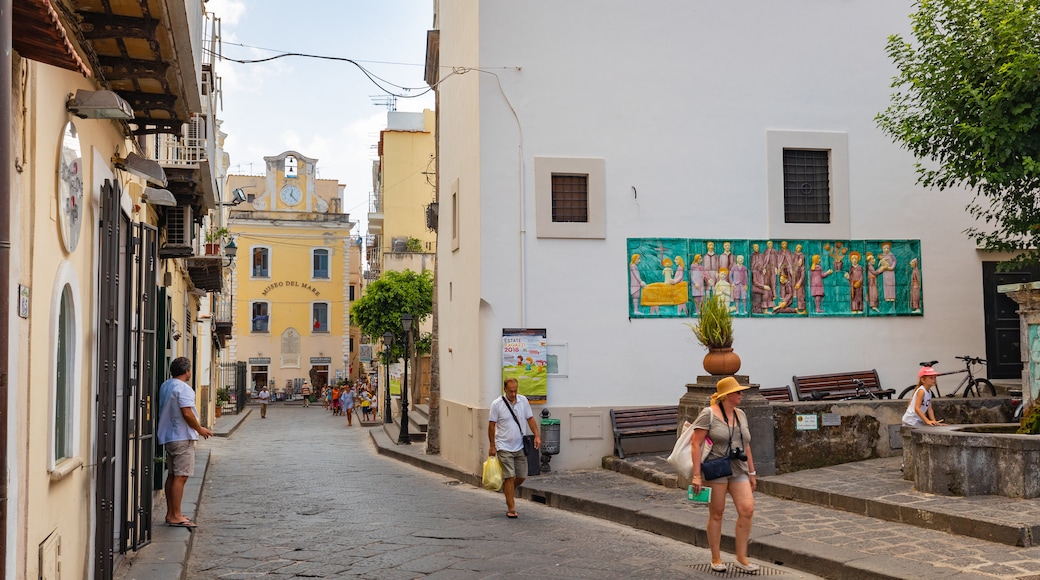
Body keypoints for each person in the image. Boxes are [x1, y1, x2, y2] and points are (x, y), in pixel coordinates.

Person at [690, 376, 758, 573]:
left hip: (739, 468)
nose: (741, 394)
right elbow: (696, 444)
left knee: (747, 509)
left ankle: (741, 557)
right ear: (727, 395)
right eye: (738, 392)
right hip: (716, 467)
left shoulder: (741, 414)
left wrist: (752, 472)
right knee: (717, 512)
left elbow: (746, 444)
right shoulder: (708, 414)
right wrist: (696, 475)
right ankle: (716, 557)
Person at [157, 357, 212, 529]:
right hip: (181, 436)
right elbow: (187, 413)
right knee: (181, 476)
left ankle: (171, 512)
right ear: (187, 371)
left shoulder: (166, 385)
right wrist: (200, 429)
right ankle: (176, 515)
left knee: (173, 475)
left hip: (169, 435)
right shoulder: (184, 388)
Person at [488, 378, 541, 519]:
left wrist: (537, 435)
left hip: (519, 446)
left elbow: (530, 418)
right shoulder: (497, 404)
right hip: (503, 446)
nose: (513, 393)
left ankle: (508, 491)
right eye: (511, 391)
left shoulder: (523, 401)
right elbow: (492, 425)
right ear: (504, 389)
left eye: (515, 390)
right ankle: (511, 508)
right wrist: (492, 445)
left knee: (522, 476)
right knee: (510, 476)